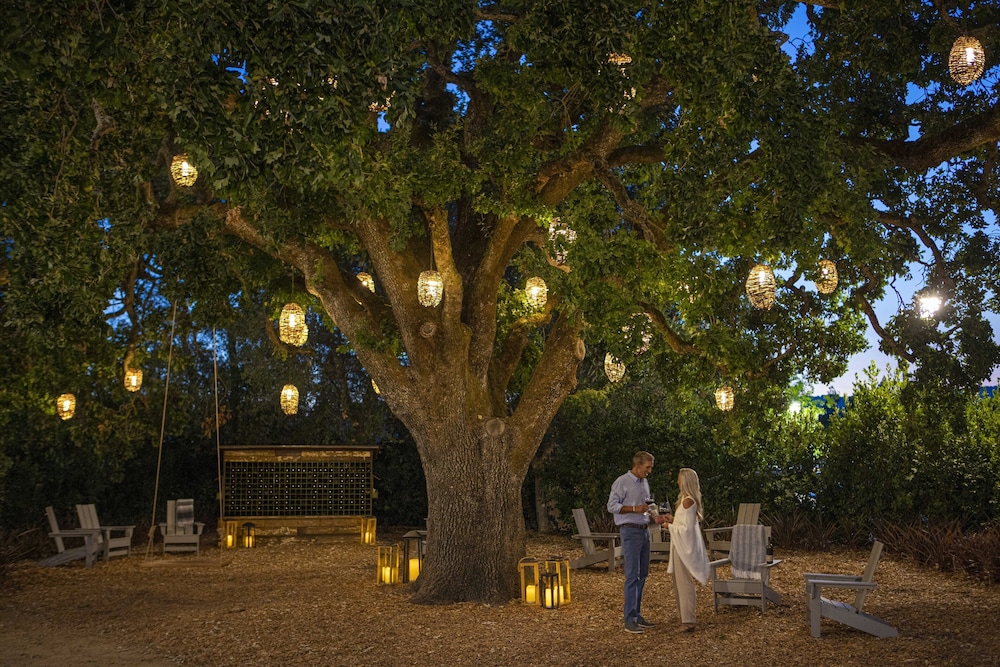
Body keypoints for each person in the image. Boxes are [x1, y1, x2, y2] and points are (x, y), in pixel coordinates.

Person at [607, 451, 669, 634]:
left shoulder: (644, 483)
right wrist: (634, 508)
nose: (649, 471)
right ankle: (629, 619)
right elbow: (612, 506)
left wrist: (655, 517)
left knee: (643, 574)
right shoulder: (622, 482)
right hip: (630, 531)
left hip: (644, 531)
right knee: (632, 575)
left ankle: (636, 614)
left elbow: (647, 507)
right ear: (638, 465)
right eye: (647, 467)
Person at [665, 467, 711, 633]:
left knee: (684, 583)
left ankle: (688, 620)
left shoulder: (688, 501)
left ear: (685, 481)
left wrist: (668, 526)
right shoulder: (685, 500)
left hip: (684, 547)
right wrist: (672, 520)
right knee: (679, 582)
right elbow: (683, 523)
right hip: (679, 545)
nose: (677, 481)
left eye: (679, 479)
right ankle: (684, 616)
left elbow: (687, 530)